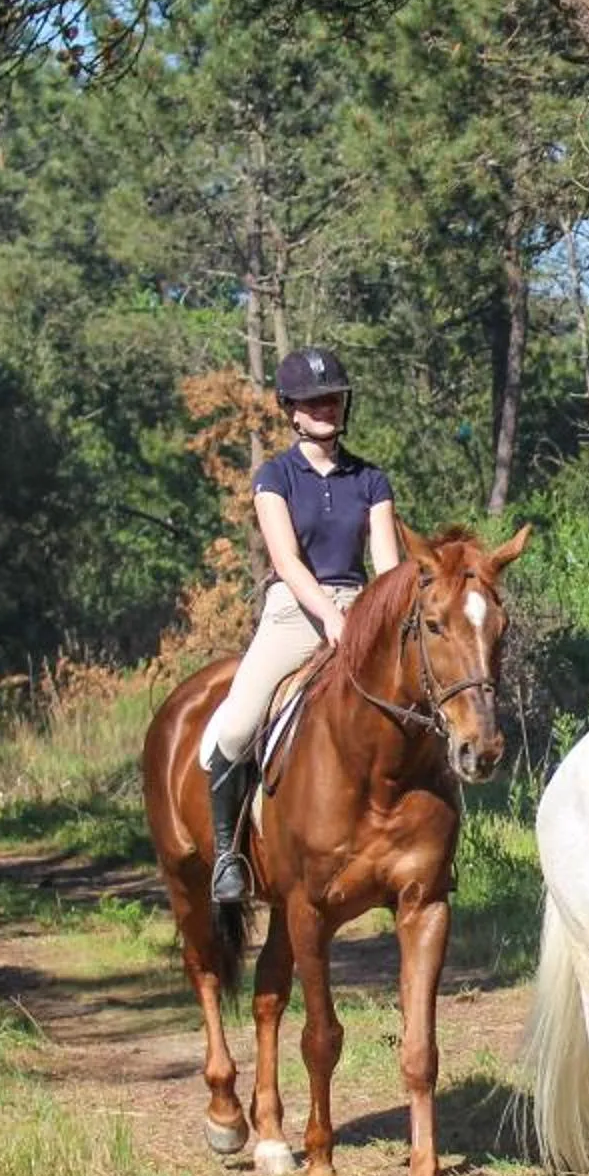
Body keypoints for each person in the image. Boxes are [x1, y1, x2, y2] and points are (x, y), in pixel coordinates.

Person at [195, 345, 403, 906]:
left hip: (361, 607)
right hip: (295, 610)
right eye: (315, 401)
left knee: (425, 708)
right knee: (235, 727)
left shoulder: (371, 479)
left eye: (334, 398)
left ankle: (429, 845)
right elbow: (286, 560)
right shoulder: (274, 476)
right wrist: (330, 617)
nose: (327, 408)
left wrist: (382, 616)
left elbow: (388, 563)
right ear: (291, 409)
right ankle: (227, 856)